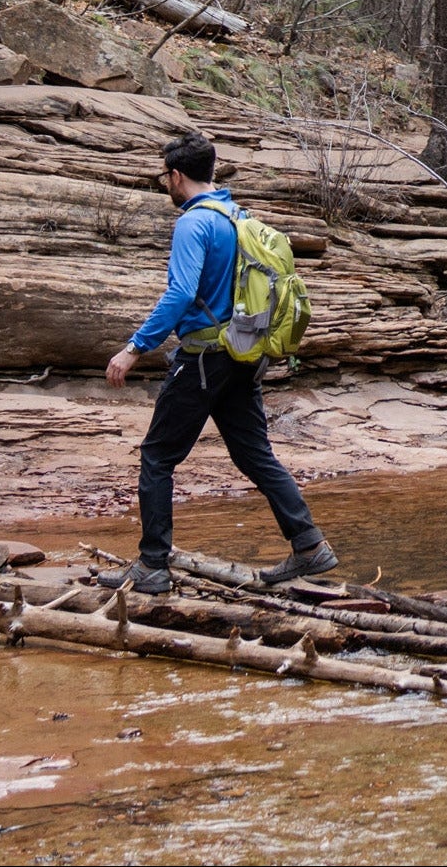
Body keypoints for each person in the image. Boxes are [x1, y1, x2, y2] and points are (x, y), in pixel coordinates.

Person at [98, 133, 334, 596]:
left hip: (204, 356)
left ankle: (152, 565)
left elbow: (181, 293)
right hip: (243, 355)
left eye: (165, 176)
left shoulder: (193, 223)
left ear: (176, 176)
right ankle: (308, 545)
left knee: (157, 456)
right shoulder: (238, 216)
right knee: (253, 453)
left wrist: (134, 347)